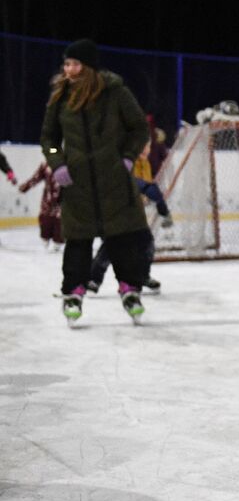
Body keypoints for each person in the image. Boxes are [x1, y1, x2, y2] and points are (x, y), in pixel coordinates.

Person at [39, 39, 151, 324]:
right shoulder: (61, 97)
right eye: (66, 64)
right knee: (78, 242)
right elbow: (49, 139)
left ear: (88, 67)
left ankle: (130, 289)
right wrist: (57, 162)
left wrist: (127, 157)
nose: (70, 70)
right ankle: (73, 294)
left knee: (122, 239)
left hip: (112, 181)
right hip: (78, 184)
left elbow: (138, 127)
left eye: (75, 64)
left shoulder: (115, 93)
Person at [89, 142, 174, 296]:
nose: (144, 149)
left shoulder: (144, 163)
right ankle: (93, 279)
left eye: (147, 146)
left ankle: (142, 276)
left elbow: (148, 187)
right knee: (112, 244)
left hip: (132, 213)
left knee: (146, 243)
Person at [17, 161, 64, 249]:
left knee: (60, 224)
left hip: (63, 202)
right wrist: (25, 187)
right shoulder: (46, 165)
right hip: (48, 201)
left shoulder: (68, 164)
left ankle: (57, 244)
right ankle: (46, 242)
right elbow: (35, 178)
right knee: (46, 223)